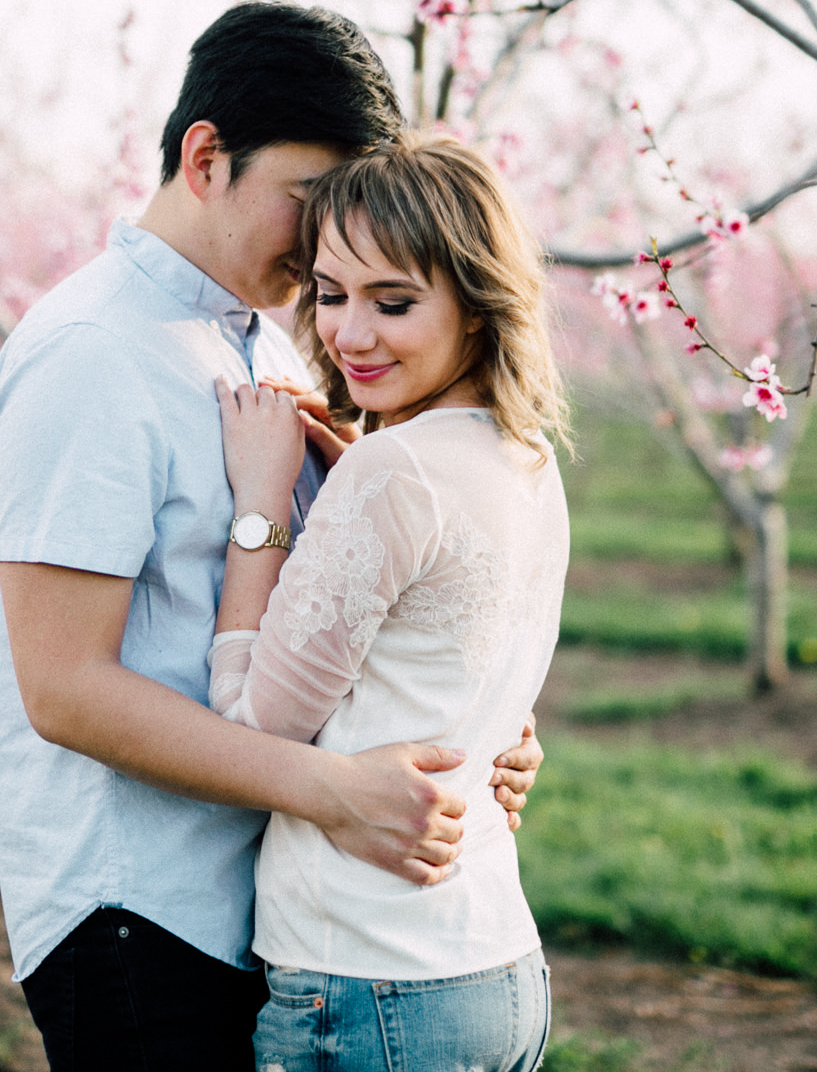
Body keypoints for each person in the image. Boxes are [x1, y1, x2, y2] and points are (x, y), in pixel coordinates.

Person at [0, 1, 543, 1071]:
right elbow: (63, 689)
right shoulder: (92, 354)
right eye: (307, 198)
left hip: (273, 907)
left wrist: (474, 733)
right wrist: (333, 790)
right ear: (205, 158)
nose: (330, 240)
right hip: (138, 912)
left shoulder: (273, 354)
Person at [210, 133, 571, 1072]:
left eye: (394, 301)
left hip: (365, 981)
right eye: (330, 294)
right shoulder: (530, 460)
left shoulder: (392, 470)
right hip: (498, 968)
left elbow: (252, 728)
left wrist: (261, 505)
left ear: (479, 303)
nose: (349, 333)